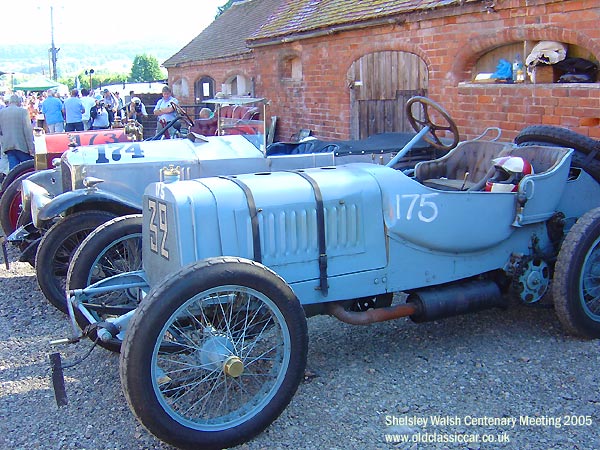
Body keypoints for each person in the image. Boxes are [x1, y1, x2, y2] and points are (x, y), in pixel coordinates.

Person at [0, 94, 35, 170]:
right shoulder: (23, 112)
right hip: (22, 145)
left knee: (13, 170)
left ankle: (14, 181)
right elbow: (28, 131)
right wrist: (31, 148)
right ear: (18, 102)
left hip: (8, 145)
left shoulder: (1, 112)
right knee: (28, 168)